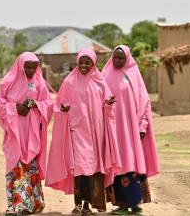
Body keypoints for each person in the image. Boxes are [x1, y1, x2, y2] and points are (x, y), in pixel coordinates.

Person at [46, 49, 121, 216]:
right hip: (77, 130)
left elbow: (108, 105)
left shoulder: (100, 82)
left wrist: (108, 104)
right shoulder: (70, 82)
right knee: (80, 168)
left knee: (92, 169)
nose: (84, 66)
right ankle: (78, 204)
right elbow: (59, 104)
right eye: (81, 62)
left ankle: (88, 205)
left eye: (87, 63)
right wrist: (63, 109)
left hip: (96, 133)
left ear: (93, 64)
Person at [0, 52, 53, 216]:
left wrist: (35, 105)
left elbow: (48, 104)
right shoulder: (8, 82)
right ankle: (16, 205)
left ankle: (33, 203)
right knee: (15, 165)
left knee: (30, 167)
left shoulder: (39, 83)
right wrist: (15, 108)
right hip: (15, 132)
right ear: (20, 66)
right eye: (28, 67)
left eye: (34, 67)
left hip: (32, 133)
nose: (31, 70)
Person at [102, 45, 160, 215]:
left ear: (127, 58)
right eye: (115, 57)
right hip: (113, 130)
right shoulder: (105, 75)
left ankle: (135, 204)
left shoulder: (134, 75)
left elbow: (144, 103)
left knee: (132, 163)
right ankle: (120, 204)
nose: (118, 61)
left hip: (131, 131)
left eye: (121, 58)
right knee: (117, 164)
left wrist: (142, 127)